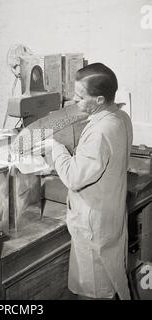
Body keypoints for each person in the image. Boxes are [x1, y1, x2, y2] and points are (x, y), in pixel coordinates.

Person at [36, 63, 133, 300]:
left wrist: (54, 146)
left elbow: (73, 177)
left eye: (80, 97)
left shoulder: (100, 131)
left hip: (94, 226)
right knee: (109, 280)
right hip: (110, 216)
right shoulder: (119, 116)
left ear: (99, 99)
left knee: (94, 290)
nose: (74, 101)